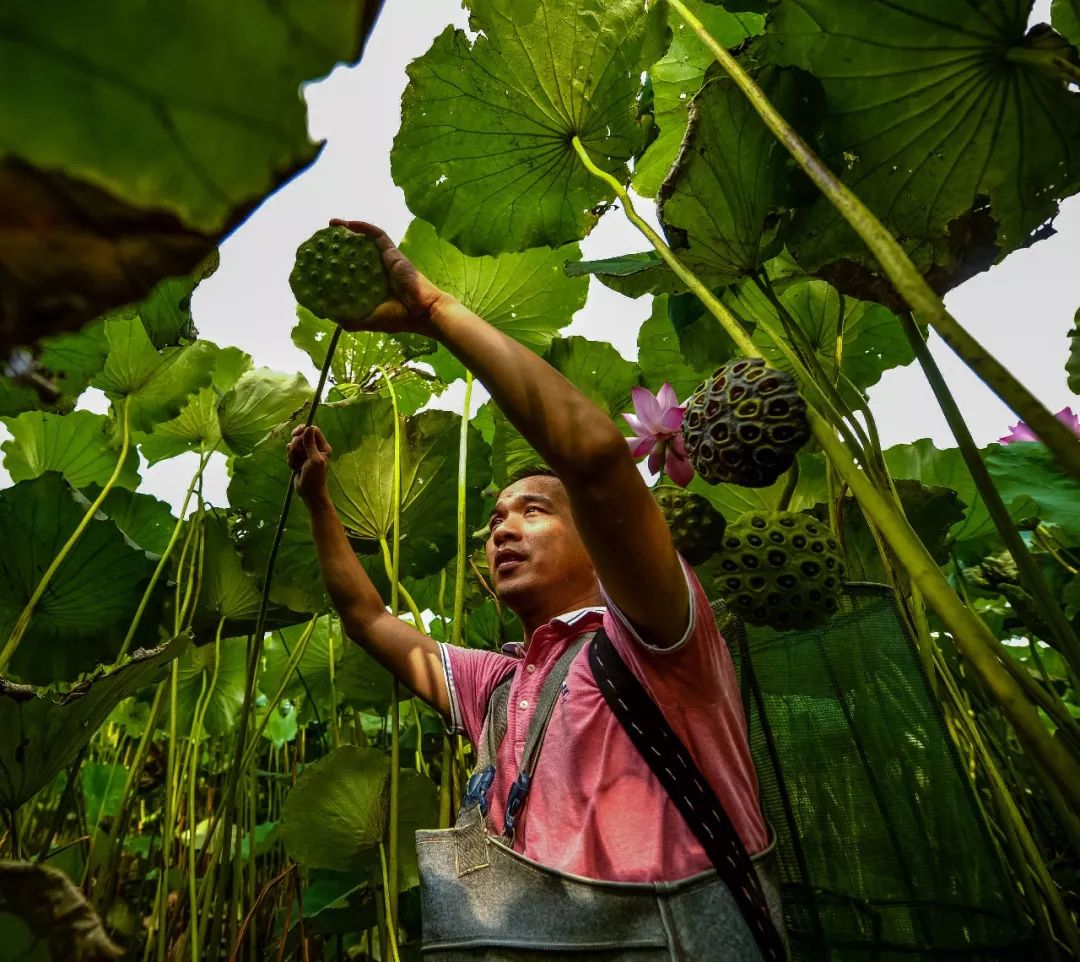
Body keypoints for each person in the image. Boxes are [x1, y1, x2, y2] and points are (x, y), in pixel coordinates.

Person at [287, 221, 777, 958]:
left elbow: (594, 458)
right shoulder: (497, 683)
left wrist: (431, 311)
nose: (502, 530)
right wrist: (320, 502)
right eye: (494, 520)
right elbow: (365, 616)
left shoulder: (655, 636)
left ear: (600, 536)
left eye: (534, 511)